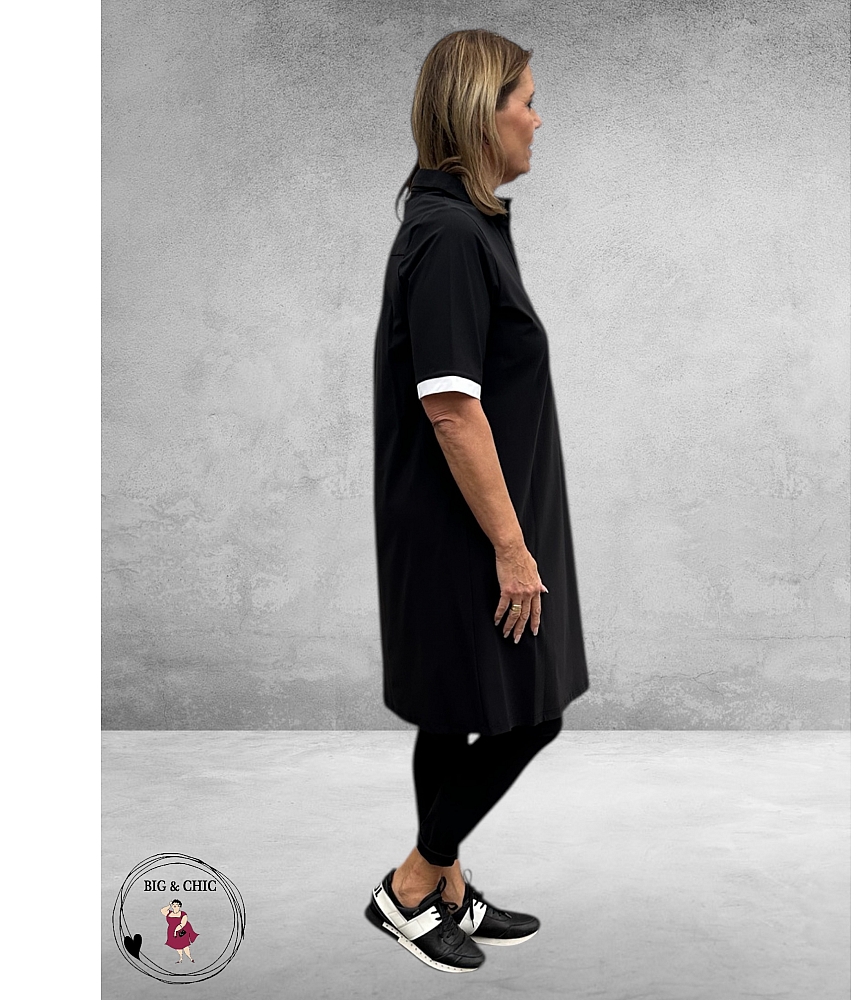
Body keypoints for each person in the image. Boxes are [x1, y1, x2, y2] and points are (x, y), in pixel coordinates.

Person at [366, 29, 590, 974]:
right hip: (466, 531)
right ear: (480, 113)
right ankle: (411, 886)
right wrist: (511, 546)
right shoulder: (452, 237)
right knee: (529, 713)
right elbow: (452, 409)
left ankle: (448, 890)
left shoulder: (461, 222)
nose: (539, 118)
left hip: (464, 522)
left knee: (451, 711)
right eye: (526, 100)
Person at [160, 898, 198, 963]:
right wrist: (169, 905)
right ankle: (181, 958)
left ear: (179, 906)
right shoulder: (169, 913)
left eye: (177, 904)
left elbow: (183, 923)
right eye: (173, 904)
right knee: (177, 946)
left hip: (182, 931)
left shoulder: (183, 914)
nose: (175, 906)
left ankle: (190, 958)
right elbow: (162, 910)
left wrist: (176, 930)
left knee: (185, 945)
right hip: (171, 931)